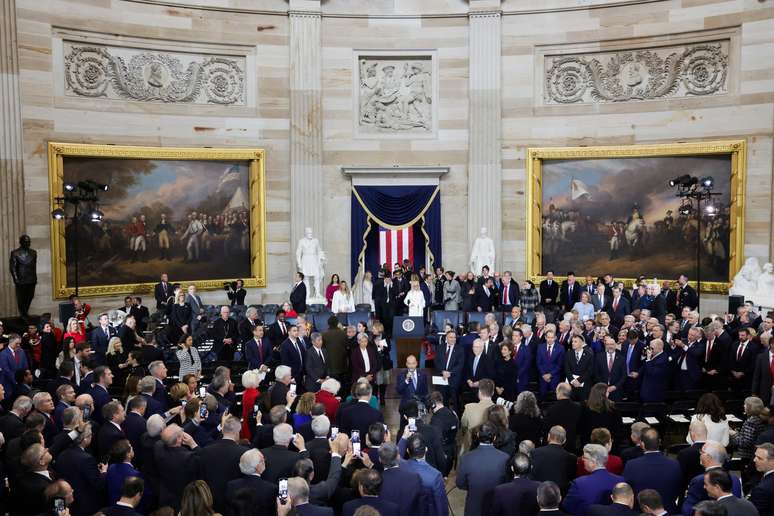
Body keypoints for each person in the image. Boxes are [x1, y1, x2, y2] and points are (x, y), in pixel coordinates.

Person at [623, 428, 682, 514]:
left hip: (640, 512)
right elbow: (679, 489)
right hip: (668, 511)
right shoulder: (674, 464)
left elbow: (627, 491)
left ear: (642, 444)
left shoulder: (631, 465)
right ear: (659, 442)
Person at [457, 422, 509, 516]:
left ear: (477, 435)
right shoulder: (505, 458)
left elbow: (460, 484)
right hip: (496, 508)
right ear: (494, 438)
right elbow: (507, 483)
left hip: (473, 508)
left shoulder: (466, 458)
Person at [682, 440, 743, 516]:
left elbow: (687, 510)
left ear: (708, 457)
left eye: (702, 452)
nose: (700, 454)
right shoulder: (735, 479)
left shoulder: (700, 480)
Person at [563, 444, 624, 516]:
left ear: (593, 461)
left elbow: (567, 506)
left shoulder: (579, 483)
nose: (582, 459)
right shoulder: (620, 481)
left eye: (585, 457)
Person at [401, 434, 448, 516]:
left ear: (408, 451)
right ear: (426, 449)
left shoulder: (400, 468)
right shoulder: (435, 476)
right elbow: (441, 506)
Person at [379, 442, 422, 516]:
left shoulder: (377, 482)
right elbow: (420, 505)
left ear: (380, 459)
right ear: (398, 457)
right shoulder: (415, 478)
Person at [531, 425, 577, 493]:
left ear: (548, 436)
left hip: (538, 493)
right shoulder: (571, 458)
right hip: (560, 494)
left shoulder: (535, 453)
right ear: (564, 440)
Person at [593, 335, 626, 401]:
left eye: (612, 344)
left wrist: (615, 386)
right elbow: (596, 373)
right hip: (602, 390)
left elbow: (624, 376)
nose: (610, 346)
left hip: (616, 391)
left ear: (615, 345)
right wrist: (603, 386)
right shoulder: (599, 357)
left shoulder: (622, 358)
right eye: (607, 344)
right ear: (605, 345)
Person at [537, 330, 565, 399]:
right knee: (542, 397)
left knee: (554, 398)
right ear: (545, 337)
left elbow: (560, 365)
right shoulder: (540, 347)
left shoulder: (560, 348)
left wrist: (550, 375)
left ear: (555, 338)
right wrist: (544, 374)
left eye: (552, 337)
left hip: (554, 377)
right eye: (548, 337)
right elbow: (538, 363)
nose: (550, 339)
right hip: (542, 377)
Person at [751, 443, 774, 514]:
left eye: (759, 458)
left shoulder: (762, 490)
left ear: (772, 462)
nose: (754, 460)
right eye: (755, 456)